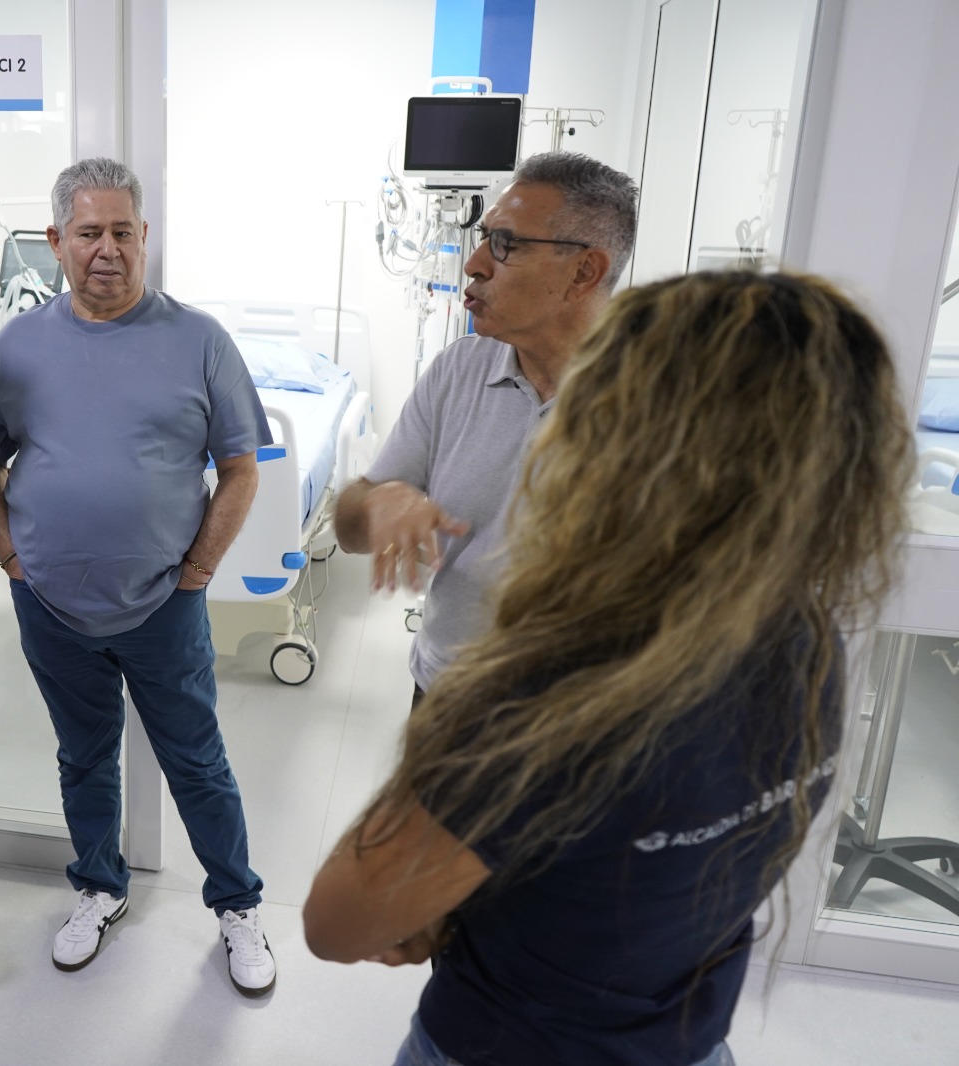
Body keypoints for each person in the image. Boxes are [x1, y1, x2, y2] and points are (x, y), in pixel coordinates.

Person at [304, 271, 913, 1066]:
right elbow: (639, 867)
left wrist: (432, 891)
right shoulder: (808, 646)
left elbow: (337, 922)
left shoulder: (556, 695)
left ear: (627, 447)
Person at [0, 157, 278, 996]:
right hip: (50, 604)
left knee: (197, 760)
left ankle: (237, 908)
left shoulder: (198, 340)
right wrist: (10, 558)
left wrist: (200, 568)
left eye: (124, 232)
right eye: (91, 232)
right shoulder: (20, 345)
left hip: (164, 605)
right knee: (84, 755)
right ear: (56, 241)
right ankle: (99, 889)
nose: (109, 249)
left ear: (146, 239)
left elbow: (240, 467)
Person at [333, 152, 638, 696]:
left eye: (507, 244)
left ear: (583, 272)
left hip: (579, 722)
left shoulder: (653, 407)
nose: (474, 262)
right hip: (445, 693)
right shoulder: (460, 369)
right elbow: (350, 523)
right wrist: (376, 506)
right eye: (483, 237)